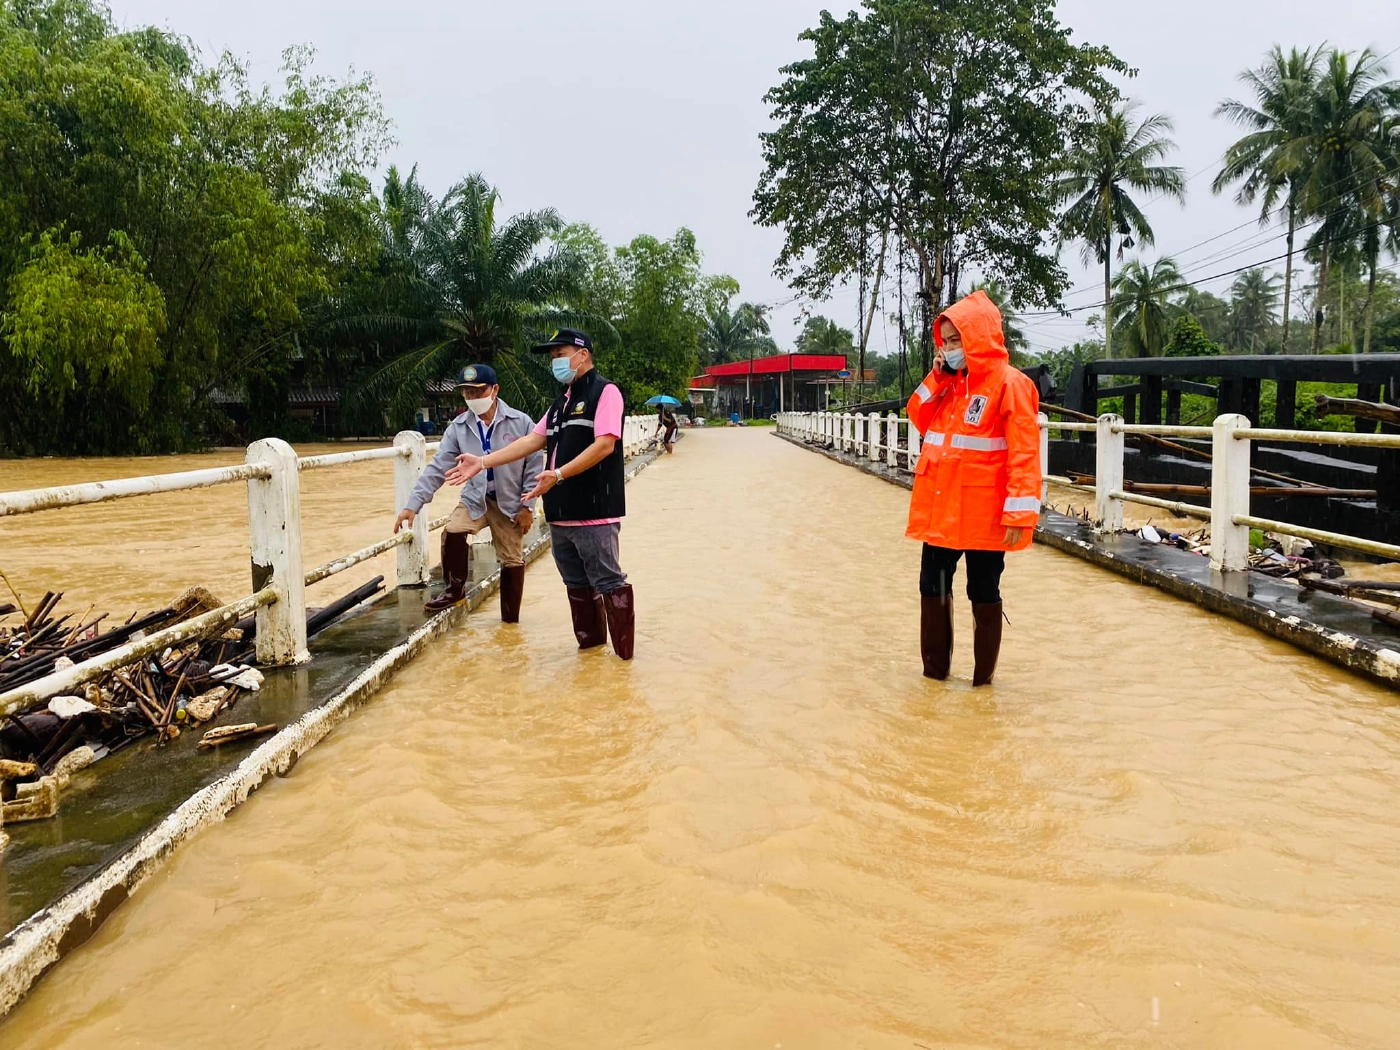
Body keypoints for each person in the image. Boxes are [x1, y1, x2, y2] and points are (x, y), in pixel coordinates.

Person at [445, 329, 635, 659]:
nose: (555, 362)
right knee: (576, 585)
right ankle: (592, 660)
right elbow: (531, 441)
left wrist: (559, 474)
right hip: (561, 514)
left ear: (582, 355)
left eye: (560, 355)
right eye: (552, 357)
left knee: (609, 582)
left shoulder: (606, 393)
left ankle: (623, 664)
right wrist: (482, 461)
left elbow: (605, 444)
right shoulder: (560, 404)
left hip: (594, 512)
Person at [906, 290, 1041, 686]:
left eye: (956, 341)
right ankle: (934, 681)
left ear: (977, 338)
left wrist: (1019, 513)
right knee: (932, 587)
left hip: (984, 515)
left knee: (983, 591)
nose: (949, 349)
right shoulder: (952, 384)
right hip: (942, 512)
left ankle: (983, 687)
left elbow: (1024, 452)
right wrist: (938, 377)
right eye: (945, 342)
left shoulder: (1011, 384)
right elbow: (918, 415)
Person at [393, 364, 543, 621]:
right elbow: (438, 468)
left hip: (510, 501)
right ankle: (454, 590)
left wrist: (528, 507)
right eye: (467, 393)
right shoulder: (459, 427)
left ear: (495, 390)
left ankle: (510, 622)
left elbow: (534, 467)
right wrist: (412, 505)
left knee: (512, 559)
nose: (472, 398)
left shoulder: (521, 423)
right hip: (476, 497)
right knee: (453, 530)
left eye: (478, 391)